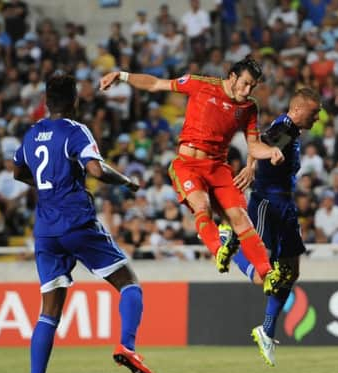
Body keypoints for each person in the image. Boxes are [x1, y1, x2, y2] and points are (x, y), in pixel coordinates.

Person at [14, 73, 155, 373]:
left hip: (45, 230)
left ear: (46, 101)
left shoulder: (31, 134)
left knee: (49, 311)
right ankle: (126, 345)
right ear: (75, 100)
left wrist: (49, 184)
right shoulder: (76, 130)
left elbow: (19, 171)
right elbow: (94, 168)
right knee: (129, 281)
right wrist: (126, 181)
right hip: (76, 222)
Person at [99, 57, 286, 294]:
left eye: (252, 87)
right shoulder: (199, 84)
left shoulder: (249, 108)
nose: (247, 90)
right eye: (245, 83)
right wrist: (121, 75)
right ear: (232, 77)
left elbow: (254, 145)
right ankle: (221, 250)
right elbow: (156, 84)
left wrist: (271, 152)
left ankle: (266, 273)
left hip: (218, 167)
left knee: (240, 217)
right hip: (187, 165)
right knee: (202, 206)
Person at [219, 88, 321, 366]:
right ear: (298, 110)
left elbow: (261, 144)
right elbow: (259, 144)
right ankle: (228, 238)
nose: (318, 116)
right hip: (268, 204)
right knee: (263, 274)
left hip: (285, 207)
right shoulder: (285, 127)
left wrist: (252, 165)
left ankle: (266, 330)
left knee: (291, 271)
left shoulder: (291, 131)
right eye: (315, 112)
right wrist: (262, 156)